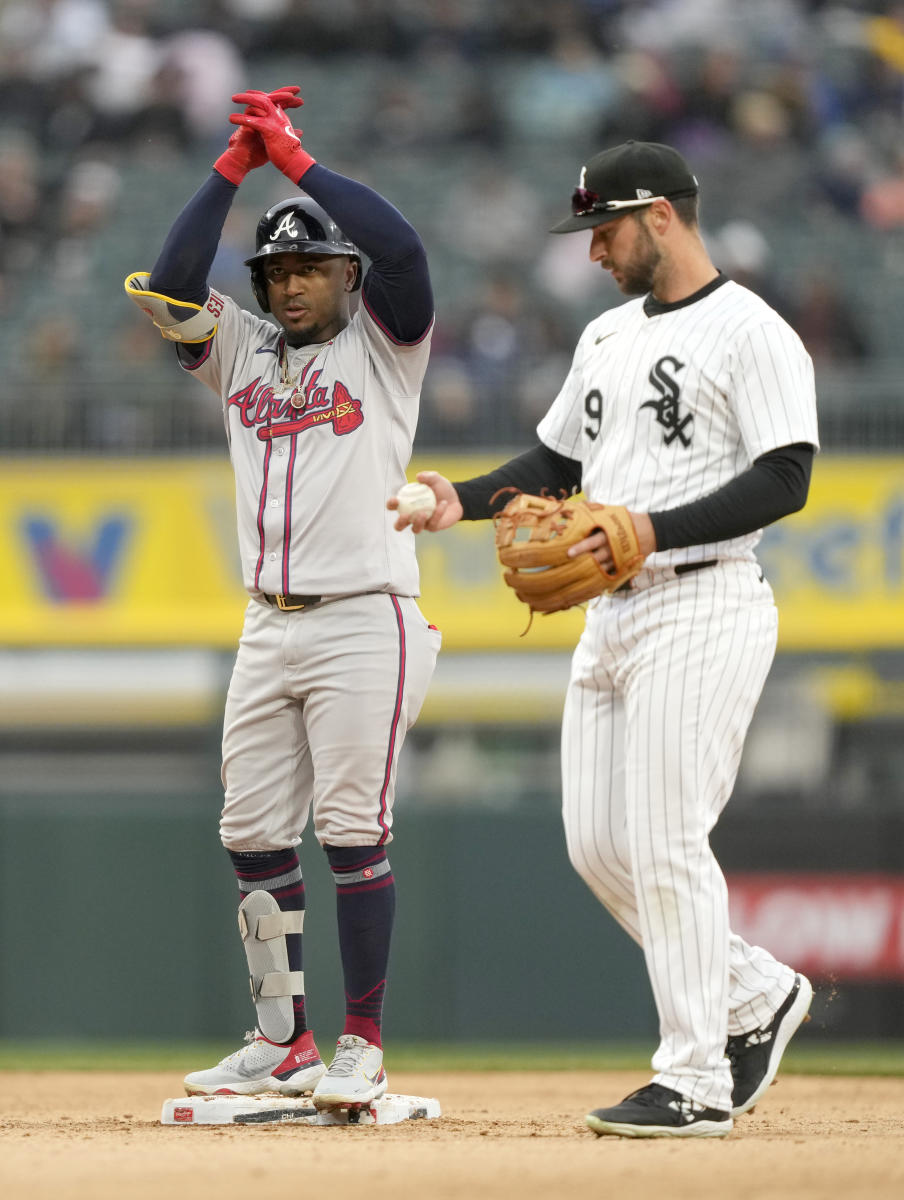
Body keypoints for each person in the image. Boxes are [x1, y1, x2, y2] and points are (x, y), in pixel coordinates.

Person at [390, 140, 817, 1139]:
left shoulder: (752, 332)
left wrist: (651, 530)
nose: (592, 250)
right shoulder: (606, 337)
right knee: (597, 847)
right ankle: (756, 995)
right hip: (612, 614)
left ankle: (696, 1078)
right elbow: (553, 458)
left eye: (605, 228)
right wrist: (461, 498)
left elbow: (787, 474)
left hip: (703, 599)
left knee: (666, 839)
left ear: (662, 215)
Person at [127, 85, 440, 1109]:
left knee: (354, 830)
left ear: (345, 276)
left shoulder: (386, 345)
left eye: (312, 266)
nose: (293, 283)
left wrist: (295, 162)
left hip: (365, 613)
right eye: (277, 270)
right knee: (252, 832)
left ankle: (362, 1041)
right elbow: (173, 288)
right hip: (267, 621)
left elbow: (405, 252)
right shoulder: (245, 347)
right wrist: (231, 168)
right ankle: (283, 1039)